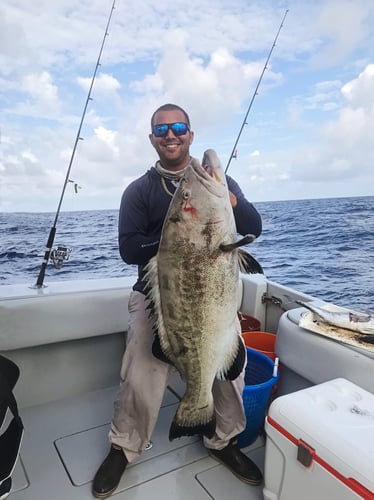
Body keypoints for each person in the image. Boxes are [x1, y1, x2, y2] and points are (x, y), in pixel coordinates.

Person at [92, 103, 263, 498]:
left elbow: (253, 228)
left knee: (230, 370)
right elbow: (129, 249)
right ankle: (125, 446)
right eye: (162, 129)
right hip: (156, 298)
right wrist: (177, 240)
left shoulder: (219, 183)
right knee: (140, 372)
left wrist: (228, 200)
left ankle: (224, 440)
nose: (171, 134)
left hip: (212, 295)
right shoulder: (139, 190)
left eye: (179, 127)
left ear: (190, 134)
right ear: (153, 138)